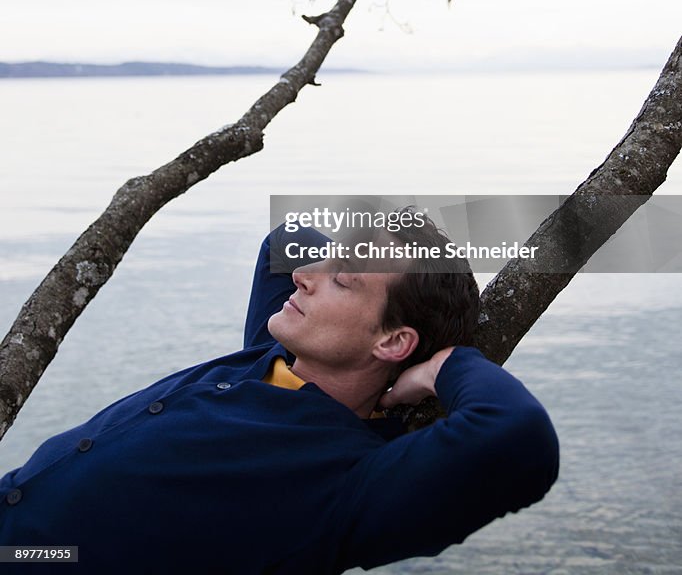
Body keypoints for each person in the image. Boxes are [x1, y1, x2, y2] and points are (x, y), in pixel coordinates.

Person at [0, 222, 559, 574]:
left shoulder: (347, 485)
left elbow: (517, 438)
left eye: (343, 280)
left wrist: (447, 367)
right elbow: (289, 237)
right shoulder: (270, 351)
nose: (301, 275)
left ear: (392, 341)